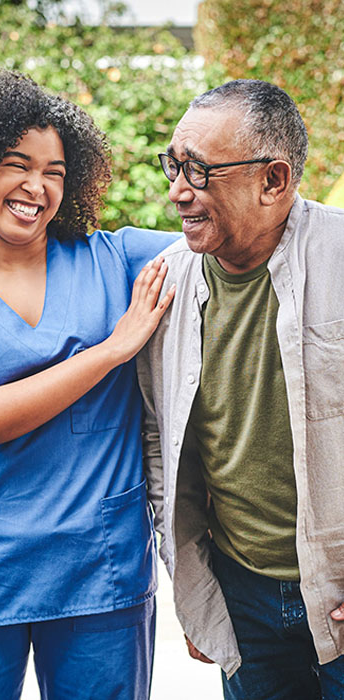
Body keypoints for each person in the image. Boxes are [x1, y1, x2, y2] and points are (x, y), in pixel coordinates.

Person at [0, 71, 177, 700]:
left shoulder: (118, 258)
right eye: (16, 164)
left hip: (98, 570)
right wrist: (112, 351)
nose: (36, 186)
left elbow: (229, 243)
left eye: (54, 170)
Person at [137, 79, 344, 699]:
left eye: (199, 171)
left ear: (273, 181)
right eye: (174, 165)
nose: (178, 192)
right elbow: (162, 439)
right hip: (241, 594)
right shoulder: (166, 285)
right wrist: (197, 589)